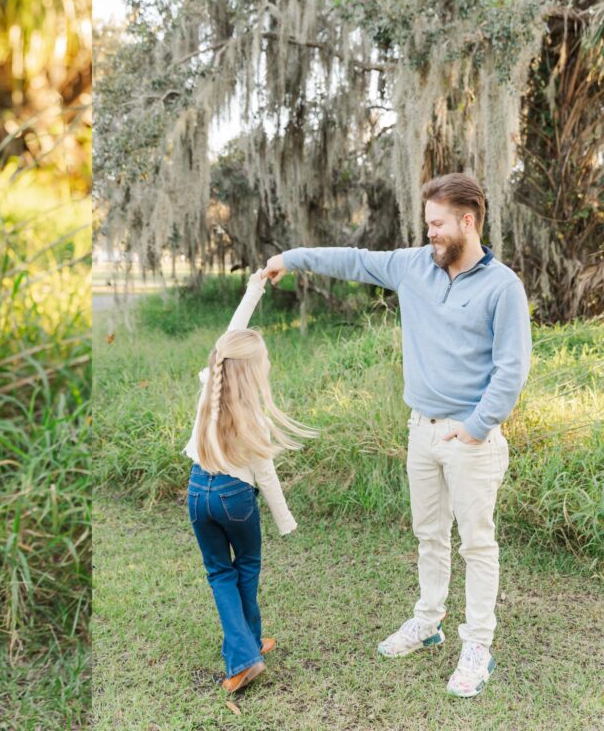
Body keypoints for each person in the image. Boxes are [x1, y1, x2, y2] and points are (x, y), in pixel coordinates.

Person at [262, 173, 532, 698]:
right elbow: (354, 259)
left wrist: (475, 430)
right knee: (428, 533)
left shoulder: (503, 287)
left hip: (470, 438)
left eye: (437, 224)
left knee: (476, 543)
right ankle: (427, 621)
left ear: (468, 221)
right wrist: (290, 257)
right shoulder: (413, 267)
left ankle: (477, 645)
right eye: (426, 223)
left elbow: (511, 369)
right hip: (420, 431)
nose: (429, 233)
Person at [184, 269, 317, 693]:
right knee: (245, 568)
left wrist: (253, 290)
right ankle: (244, 657)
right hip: (234, 498)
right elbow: (266, 475)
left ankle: (251, 645)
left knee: (219, 572)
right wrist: (285, 519)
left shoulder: (211, 389)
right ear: (254, 371)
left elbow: (230, 337)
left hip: (197, 492)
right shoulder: (252, 415)